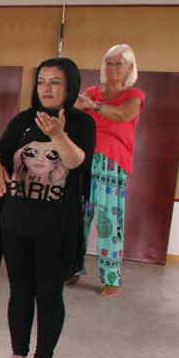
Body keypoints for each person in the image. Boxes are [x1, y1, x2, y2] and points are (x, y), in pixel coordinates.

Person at [0, 57, 95, 358]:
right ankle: (18, 352)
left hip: (55, 227)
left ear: (70, 86)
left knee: (48, 292)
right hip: (16, 222)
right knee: (19, 291)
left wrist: (59, 135)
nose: (46, 88)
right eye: (42, 81)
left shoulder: (81, 123)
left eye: (55, 82)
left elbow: (77, 161)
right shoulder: (23, 120)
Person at [71, 44, 145, 296]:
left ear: (129, 68)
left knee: (108, 222)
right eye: (109, 63)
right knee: (76, 217)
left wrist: (93, 106)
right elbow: (71, 115)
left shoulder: (135, 95)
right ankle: (71, 269)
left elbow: (123, 116)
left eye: (118, 63)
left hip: (112, 163)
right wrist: (78, 106)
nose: (112, 68)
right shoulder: (91, 92)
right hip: (83, 158)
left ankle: (111, 278)